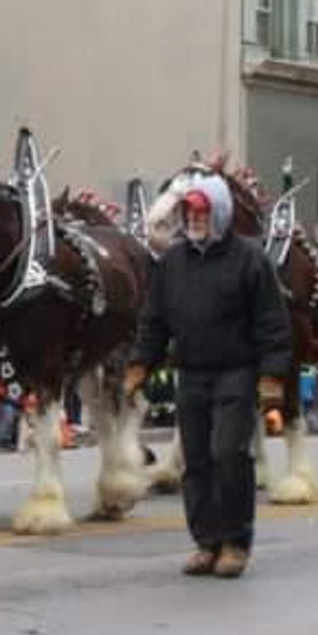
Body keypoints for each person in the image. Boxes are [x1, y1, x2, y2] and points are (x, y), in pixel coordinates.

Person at [129, 175, 292, 580]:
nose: (195, 218)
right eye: (190, 211)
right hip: (192, 374)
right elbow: (154, 322)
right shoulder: (172, 264)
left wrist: (271, 379)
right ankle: (206, 542)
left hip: (236, 373)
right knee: (195, 462)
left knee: (228, 456)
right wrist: (138, 366)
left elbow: (273, 325)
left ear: (219, 212)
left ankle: (236, 543)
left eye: (203, 211)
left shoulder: (250, 260)